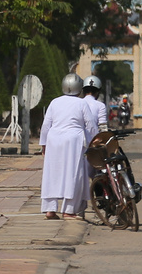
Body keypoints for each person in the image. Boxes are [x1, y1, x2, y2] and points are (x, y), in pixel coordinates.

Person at [40, 75, 102, 219]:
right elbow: (91, 125)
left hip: (54, 139)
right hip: (73, 140)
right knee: (74, 174)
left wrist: (43, 144)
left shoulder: (54, 102)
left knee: (51, 173)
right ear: (79, 88)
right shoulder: (81, 104)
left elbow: (45, 125)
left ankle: (50, 210)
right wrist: (97, 140)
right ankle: (68, 210)